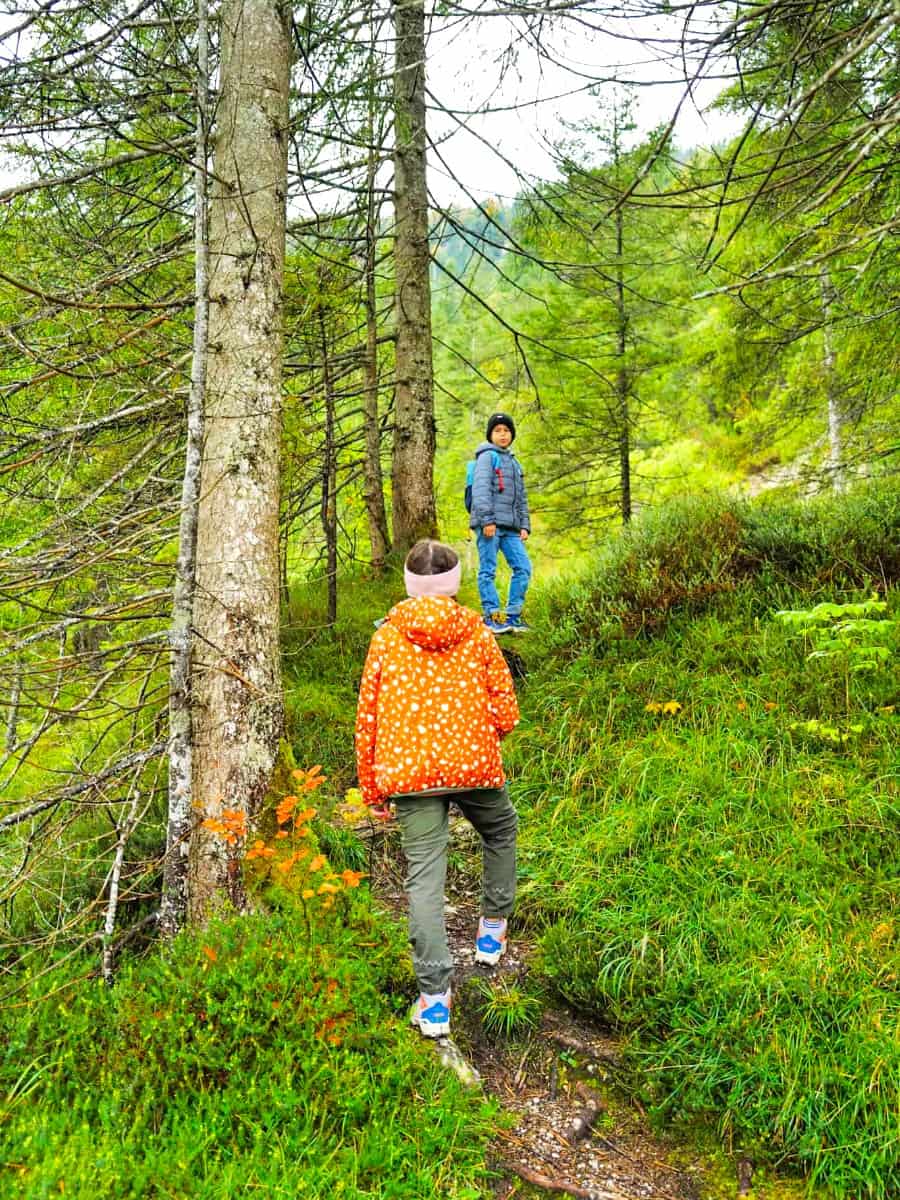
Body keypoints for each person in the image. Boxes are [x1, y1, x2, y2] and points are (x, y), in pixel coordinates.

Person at [354, 539, 520, 1039]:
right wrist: (480, 735)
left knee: (424, 881)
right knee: (501, 829)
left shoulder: (385, 638)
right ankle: (492, 933)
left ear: (409, 583)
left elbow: (368, 718)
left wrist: (372, 790)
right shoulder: (478, 633)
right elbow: (507, 712)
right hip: (473, 767)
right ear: (453, 584)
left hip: (408, 777)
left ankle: (434, 1003)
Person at [469, 411, 533, 634]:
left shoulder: (514, 463)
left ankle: (513, 615)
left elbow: (521, 497)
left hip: (511, 528)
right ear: (490, 435)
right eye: (497, 431)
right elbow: (480, 489)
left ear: (512, 434)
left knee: (523, 568)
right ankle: (492, 616)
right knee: (488, 570)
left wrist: (524, 525)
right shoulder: (487, 456)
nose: (503, 434)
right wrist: (487, 520)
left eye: (506, 431)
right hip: (490, 525)